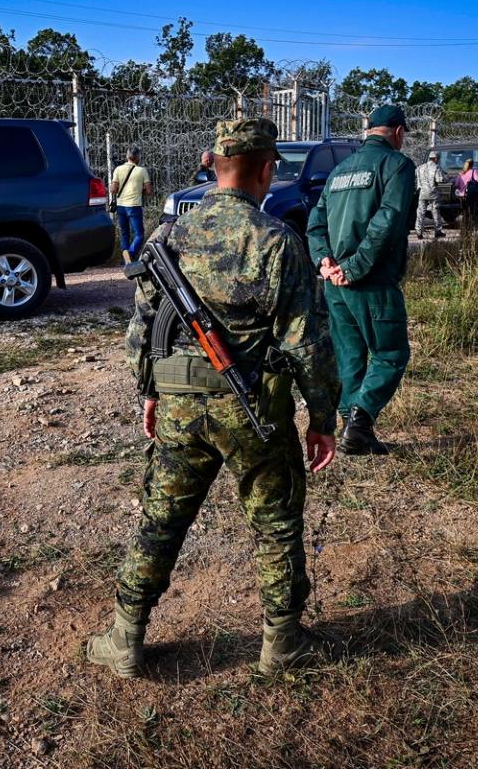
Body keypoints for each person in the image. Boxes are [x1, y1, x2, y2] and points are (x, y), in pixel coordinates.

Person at [86, 119, 341, 680]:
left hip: (178, 402)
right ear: (268, 169)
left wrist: (150, 392)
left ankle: (125, 638)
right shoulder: (277, 241)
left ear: (212, 166)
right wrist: (322, 416)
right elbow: (307, 342)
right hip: (254, 409)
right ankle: (282, 643)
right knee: (274, 522)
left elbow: (143, 329)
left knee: (162, 518)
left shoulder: (165, 238)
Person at [306, 104, 415, 456]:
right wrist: (353, 268)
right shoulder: (397, 165)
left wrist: (325, 262)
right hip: (371, 282)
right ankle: (361, 420)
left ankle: (350, 427)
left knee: (349, 354)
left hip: (334, 284)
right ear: (397, 132)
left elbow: (315, 222)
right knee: (391, 353)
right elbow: (389, 221)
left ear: (367, 132)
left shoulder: (340, 170)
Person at [111, 147, 153, 261]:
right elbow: (149, 191)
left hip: (121, 206)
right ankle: (131, 253)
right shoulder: (142, 170)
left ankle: (126, 260)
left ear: (127, 156)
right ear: (138, 157)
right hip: (134, 205)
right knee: (139, 234)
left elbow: (113, 189)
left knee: (125, 233)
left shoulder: (118, 169)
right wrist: (140, 189)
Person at [414, 151, 445, 240]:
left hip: (422, 192)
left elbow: (417, 179)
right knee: (435, 210)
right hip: (433, 192)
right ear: (435, 158)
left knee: (420, 211)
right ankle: (437, 231)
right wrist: (445, 178)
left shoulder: (420, 167)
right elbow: (440, 180)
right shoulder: (436, 167)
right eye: (438, 158)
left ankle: (419, 231)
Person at [453, 158, 478, 229]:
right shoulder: (474, 171)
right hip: (470, 194)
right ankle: (471, 226)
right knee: (471, 211)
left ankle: (464, 226)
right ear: (472, 164)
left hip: (461, 196)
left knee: (464, 211)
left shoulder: (461, 173)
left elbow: (456, 184)